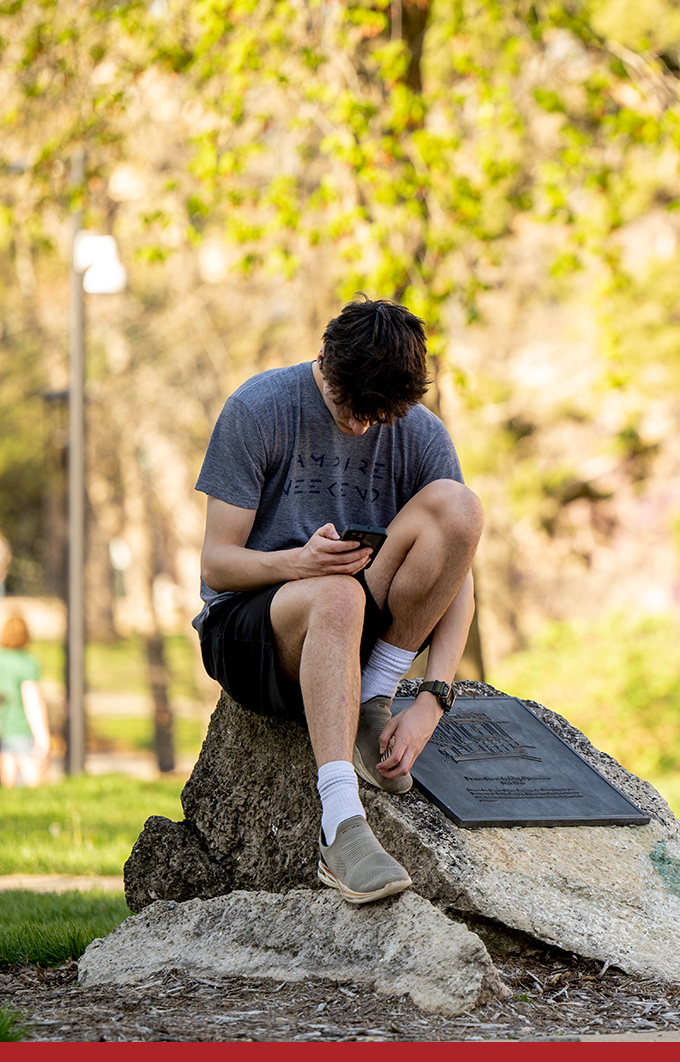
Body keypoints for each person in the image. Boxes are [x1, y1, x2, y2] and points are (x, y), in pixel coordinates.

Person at [194, 297, 483, 905]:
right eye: (350, 409)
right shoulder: (259, 408)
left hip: (353, 622)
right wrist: (296, 563)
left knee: (461, 507)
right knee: (337, 597)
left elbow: (458, 577)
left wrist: (432, 698)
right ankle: (341, 822)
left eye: (376, 419)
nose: (360, 428)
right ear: (323, 359)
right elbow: (217, 564)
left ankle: (374, 693)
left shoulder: (415, 430)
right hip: (254, 629)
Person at [0, 613, 50, 788]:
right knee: (34, 785)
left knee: (8, 786)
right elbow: (31, 700)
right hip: (21, 727)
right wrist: (42, 736)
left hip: (0, 728)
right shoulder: (27, 663)